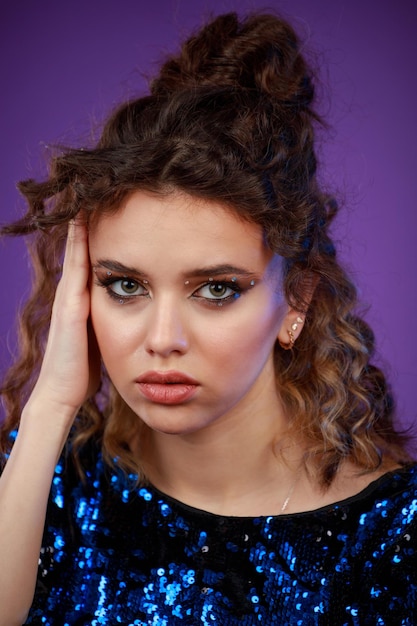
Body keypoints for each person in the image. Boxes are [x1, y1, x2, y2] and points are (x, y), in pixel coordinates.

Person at [0, 11, 416, 626]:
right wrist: (50, 406)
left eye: (217, 289)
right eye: (125, 285)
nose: (162, 340)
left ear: (296, 300)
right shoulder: (44, 485)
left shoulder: (393, 536)